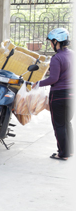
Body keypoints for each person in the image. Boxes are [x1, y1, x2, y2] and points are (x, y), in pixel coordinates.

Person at [36, 28, 73, 160]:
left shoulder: (57, 58)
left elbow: (53, 79)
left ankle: (63, 153)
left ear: (56, 41)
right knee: (67, 122)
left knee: (59, 125)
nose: (51, 44)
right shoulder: (72, 54)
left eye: (51, 42)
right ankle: (70, 150)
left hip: (59, 95)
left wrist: (37, 84)